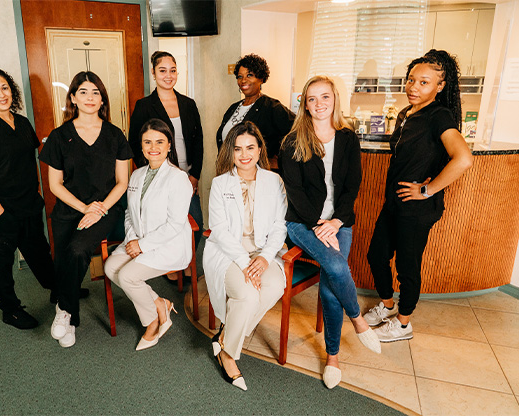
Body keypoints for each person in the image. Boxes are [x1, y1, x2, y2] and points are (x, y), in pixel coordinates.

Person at [364, 50, 473, 342]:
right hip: (394, 202)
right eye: (411, 79)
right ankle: (388, 306)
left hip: (417, 208)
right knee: (376, 255)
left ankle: (402, 324)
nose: (414, 87)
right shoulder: (405, 113)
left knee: (407, 266)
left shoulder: (439, 115)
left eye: (424, 82)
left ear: (440, 86)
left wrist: (427, 189)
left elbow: (463, 159)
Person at [279, 76, 381, 389]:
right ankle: (358, 321)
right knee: (337, 266)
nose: (319, 104)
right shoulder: (292, 142)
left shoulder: (348, 139)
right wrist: (318, 225)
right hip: (302, 223)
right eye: (312, 99)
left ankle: (332, 356)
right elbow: (294, 192)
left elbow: (352, 186)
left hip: (339, 221)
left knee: (330, 281)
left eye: (325, 97)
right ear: (304, 104)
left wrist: (336, 222)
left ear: (334, 99)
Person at [39, 71, 132, 348]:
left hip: (105, 210)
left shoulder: (115, 135)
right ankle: (70, 322)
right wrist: (84, 208)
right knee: (63, 260)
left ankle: (64, 311)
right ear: (73, 98)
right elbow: (54, 185)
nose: (90, 97)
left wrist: (97, 210)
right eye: (83, 92)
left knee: (78, 250)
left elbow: (122, 182)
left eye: (95, 92)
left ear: (102, 99)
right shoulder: (59, 136)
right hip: (69, 209)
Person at [0, 67, 55, 329]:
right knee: (1, 262)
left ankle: (55, 289)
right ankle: (10, 310)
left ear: (11, 90)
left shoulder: (22, 122)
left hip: (27, 203)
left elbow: (33, 157)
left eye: (4, 88)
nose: (1, 94)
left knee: (39, 251)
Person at [204, 121, 287, 391]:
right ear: (230, 151)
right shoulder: (219, 184)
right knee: (249, 293)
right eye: (238, 148)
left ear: (260, 148)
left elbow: (279, 225)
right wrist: (245, 262)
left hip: (263, 250)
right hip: (229, 252)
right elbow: (218, 230)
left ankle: (225, 338)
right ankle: (228, 356)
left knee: (275, 284)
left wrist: (263, 258)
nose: (244, 154)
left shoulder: (274, 181)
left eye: (250, 147)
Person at [104, 119, 193, 351]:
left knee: (128, 277)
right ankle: (159, 302)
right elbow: (130, 213)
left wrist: (142, 245)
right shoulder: (136, 175)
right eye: (148, 142)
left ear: (169, 145)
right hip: (138, 239)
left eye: (160, 141)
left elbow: (175, 224)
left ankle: (152, 322)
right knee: (110, 267)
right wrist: (133, 240)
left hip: (167, 245)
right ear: (142, 146)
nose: (154, 147)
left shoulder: (178, 178)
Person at [128, 50, 204, 251]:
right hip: (158, 175)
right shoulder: (144, 106)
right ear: (153, 73)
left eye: (173, 70)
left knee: (195, 223)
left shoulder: (188, 104)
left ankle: (187, 263)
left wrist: (195, 175)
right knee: (164, 224)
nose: (168, 75)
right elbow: (135, 144)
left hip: (186, 175)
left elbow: (198, 141)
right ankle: (167, 265)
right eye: (162, 70)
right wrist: (150, 173)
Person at [215, 53, 295, 169]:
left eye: (249, 75)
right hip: (229, 172)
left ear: (261, 78)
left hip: (256, 175)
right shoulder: (233, 108)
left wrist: (278, 158)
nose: (243, 80)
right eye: (240, 76)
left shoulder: (272, 107)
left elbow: (297, 130)